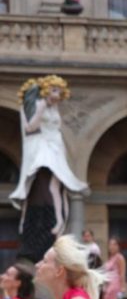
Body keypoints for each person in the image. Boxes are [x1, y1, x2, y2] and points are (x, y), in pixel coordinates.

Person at [8, 75, 89, 261]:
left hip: (55, 145)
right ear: (45, 90)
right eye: (54, 90)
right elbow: (29, 128)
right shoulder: (38, 104)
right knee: (40, 179)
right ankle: (34, 222)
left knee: (56, 185)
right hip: (41, 145)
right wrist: (39, 111)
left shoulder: (54, 107)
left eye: (59, 90)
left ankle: (59, 221)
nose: (57, 94)